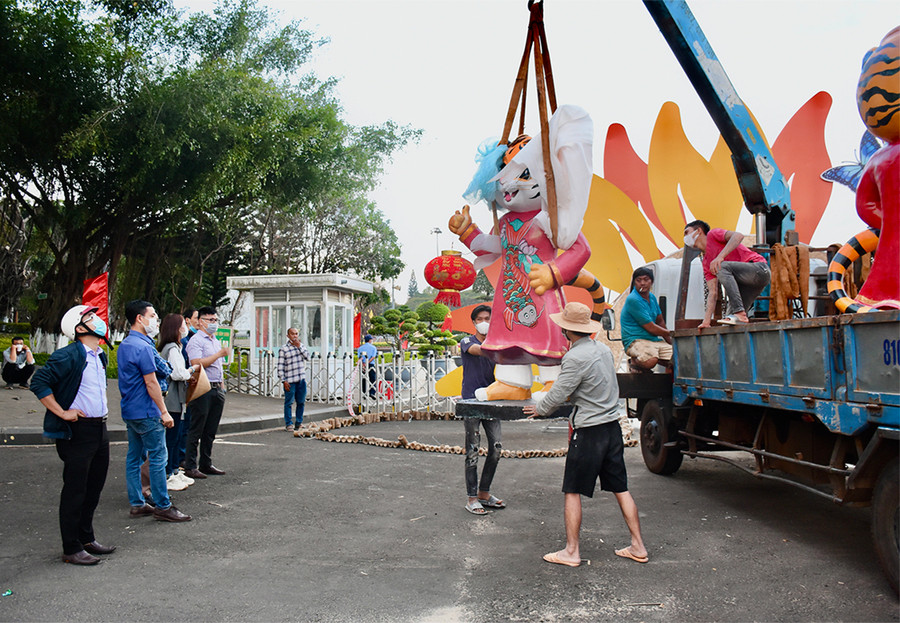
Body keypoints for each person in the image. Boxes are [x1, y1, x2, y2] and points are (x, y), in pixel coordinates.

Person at [523, 302, 648, 568]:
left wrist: (540, 409)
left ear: (567, 330)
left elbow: (559, 392)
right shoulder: (602, 350)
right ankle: (638, 545)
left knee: (572, 490)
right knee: (621, 488)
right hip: (611, 426)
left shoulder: (574, 357)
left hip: (589, 430)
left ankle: (571, 551)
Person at [30, 305, 115, 565]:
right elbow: (39, 382)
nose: (98, 321)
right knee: (76, 490)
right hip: (78, 431)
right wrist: (62, 412)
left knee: (94, 487)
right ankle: (71, 547)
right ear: (80, 328)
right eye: (91, 318)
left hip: (99, 428)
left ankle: (86, 538)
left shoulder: (98, 355)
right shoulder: (68, 355)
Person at [118, 300, 191, 522]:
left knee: (134, 457)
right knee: (159, 456)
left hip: (131, 410)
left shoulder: (127, 344)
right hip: (148, 410)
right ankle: (163, 505)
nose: (156, 320)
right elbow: (151, 382)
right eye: (153, 315)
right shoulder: (142, 346)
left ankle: (138, 503)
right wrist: (164, 412)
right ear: (139, 318)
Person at [683, 220, 770, 327]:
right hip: (747, 285)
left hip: (759, 269)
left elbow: (738, 236)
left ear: (699, 231)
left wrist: (720, 257)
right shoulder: (706, 262)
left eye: (687, 232)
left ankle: (739, 312)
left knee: (721, 266)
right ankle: (739, 318)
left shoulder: (713, 235)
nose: (685, 238)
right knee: (729, 322)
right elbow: (712, 293)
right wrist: (706, 321)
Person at [459, 305, 503, 515]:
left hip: (492, 399)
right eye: (481, 318)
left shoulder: (498, 343)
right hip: (471, 401)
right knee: (473, 451)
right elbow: (479, 351)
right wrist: (502, 345)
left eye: (488, 318)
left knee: (496, 448)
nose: (485, 321)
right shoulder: (467, 341)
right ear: (474, 322)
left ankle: (484, 493)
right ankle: (472, 498)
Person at [184, 306, 229, 479]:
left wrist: (222, 386)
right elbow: (196, 363)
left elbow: (219, 367)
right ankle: (190, 465)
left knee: (210, 429)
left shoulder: (215, 340)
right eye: (210, 320)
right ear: (201, 321)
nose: (214, 323)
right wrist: (218, 354)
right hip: (202, 387)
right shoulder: (196, 341)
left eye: (216, 320)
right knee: (197, 427)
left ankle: (206, 463)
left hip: (217, 387)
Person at [158, 313, 199, 491]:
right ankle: (168, 473)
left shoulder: (175, 346)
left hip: (177, 399)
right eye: (183, 324)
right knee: (171, 438)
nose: (186, 327)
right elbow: (177, 373)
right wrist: (191, 370)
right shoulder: (172, 348)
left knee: (175, 437)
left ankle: (174, 470)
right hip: (172, 399)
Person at [620, 267, 673, 372]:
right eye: (638, 280)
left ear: (652, 281)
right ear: (634, 282)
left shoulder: (652, 297)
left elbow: (660, 321)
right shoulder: (633, 299)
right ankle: (635, 361)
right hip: (635, 341)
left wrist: (671, 342)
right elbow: (651, 328)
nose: (642, 283)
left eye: (646, 279)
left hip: (654, 341)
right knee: (650, 361)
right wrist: (671, 333)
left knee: (679, 358)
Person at [277, 327, 309, 432]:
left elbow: (308, 357)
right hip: (290, 380)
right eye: (292, 334)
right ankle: (288, 423)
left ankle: (299, 423)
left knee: (301, 402)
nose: (294, 336)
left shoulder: (301, 346)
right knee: (289, 402)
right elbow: (280, 367)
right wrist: (283, 380)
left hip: (301, 379)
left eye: (296, 334)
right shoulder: (284, 349)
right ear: (288, 335)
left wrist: (299, 347)